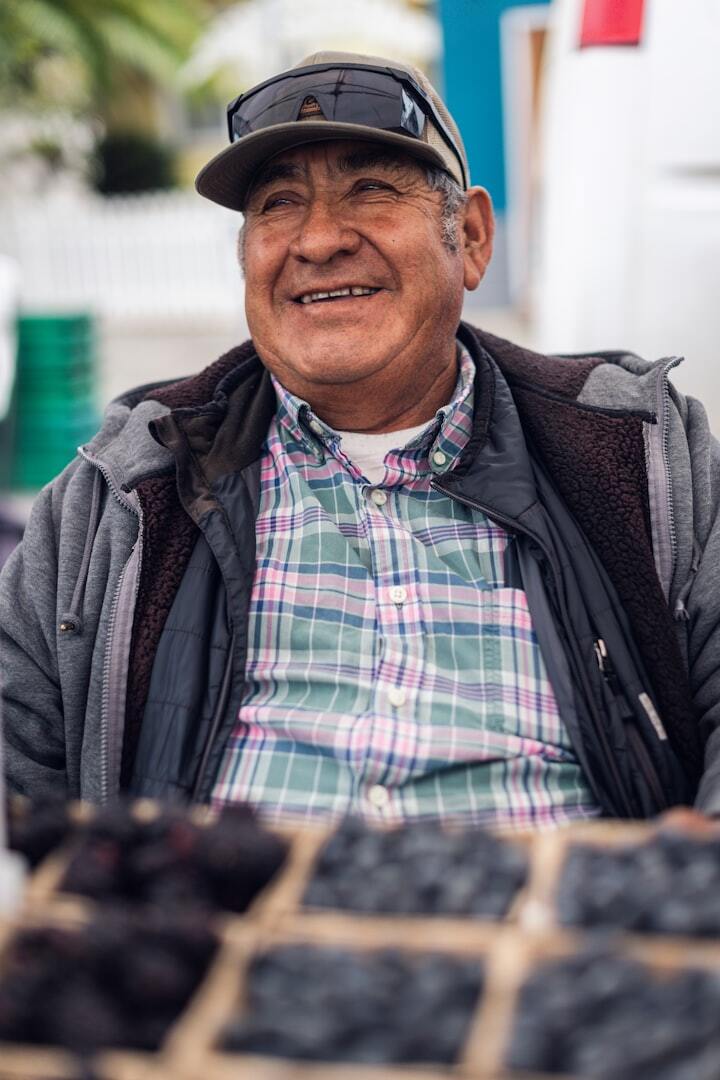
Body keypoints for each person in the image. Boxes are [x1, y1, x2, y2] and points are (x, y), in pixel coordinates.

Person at [1, 51, 719, 827]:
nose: (317, 241)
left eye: (371, 188)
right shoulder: (125, 488)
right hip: (225, 905)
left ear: (471, 237)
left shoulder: (639, 452)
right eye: (278, 203)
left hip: (562, 903)